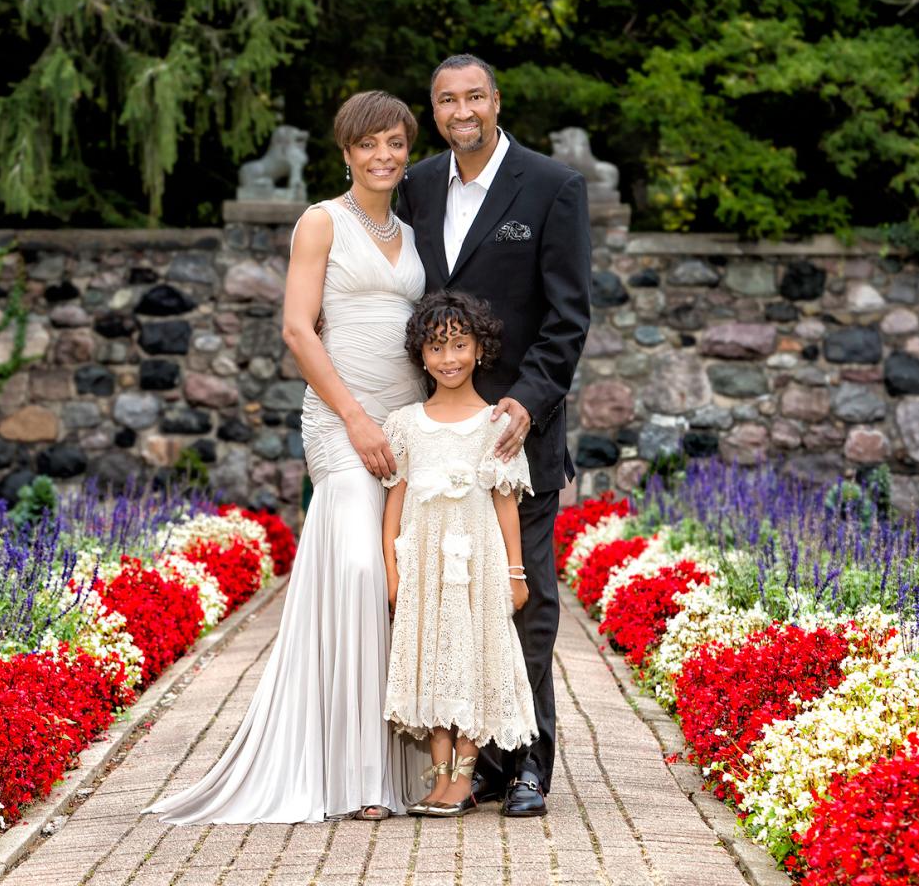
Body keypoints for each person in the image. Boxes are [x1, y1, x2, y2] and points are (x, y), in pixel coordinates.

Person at [144, 90, 426, 824]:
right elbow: (300, 333)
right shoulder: (320, 222)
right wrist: (357, 420)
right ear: (345, 152)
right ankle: (352, 774)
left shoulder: (415, 229)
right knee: (359, 570)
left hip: (406, 424)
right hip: (342, 423)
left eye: (395, 142)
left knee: (397, 580)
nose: (384, 155)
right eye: (369, 144)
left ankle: (396, 763)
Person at [396, 54, 592, 817]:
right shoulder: (414, 186)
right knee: (453, 608)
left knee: (527, 601)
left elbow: (567, 316)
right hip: (441, 444)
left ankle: (531, 762)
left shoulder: (552, 187)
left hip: (518, 437)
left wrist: (525, 403)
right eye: (447, 99)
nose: (462, 110)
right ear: (435, 109)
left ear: (497, 101)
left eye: (474, 95)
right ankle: (478, 760)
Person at [381, 292, 537, 818]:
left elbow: (506, 504)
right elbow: (394, 503)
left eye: (459, 345)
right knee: (432, 664)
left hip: (477, 566)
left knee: (471, 662)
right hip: (424, 567)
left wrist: (516, 574)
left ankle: (463, 781)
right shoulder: (404, 424)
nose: (449, 358)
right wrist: (391, 568)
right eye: (436, 347)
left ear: (479, 349)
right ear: (421, 356)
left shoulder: (496, 423)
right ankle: (439, 778)